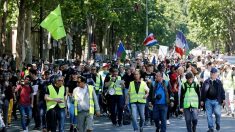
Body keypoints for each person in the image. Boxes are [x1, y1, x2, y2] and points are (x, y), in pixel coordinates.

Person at [201, 67, 225, 132]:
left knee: (218, 114)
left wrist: (223, 99)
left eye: (215, 73)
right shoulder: (206, 81)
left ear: (216, 74)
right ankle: (211, 128)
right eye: (212, 73)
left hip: (216, 101)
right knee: (209, 115)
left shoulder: (219, 82)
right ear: (210, 74)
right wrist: (202, 100)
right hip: (208, 100)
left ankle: (217, 123)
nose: (214, 75)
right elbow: (203, 91)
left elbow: (222, 91)